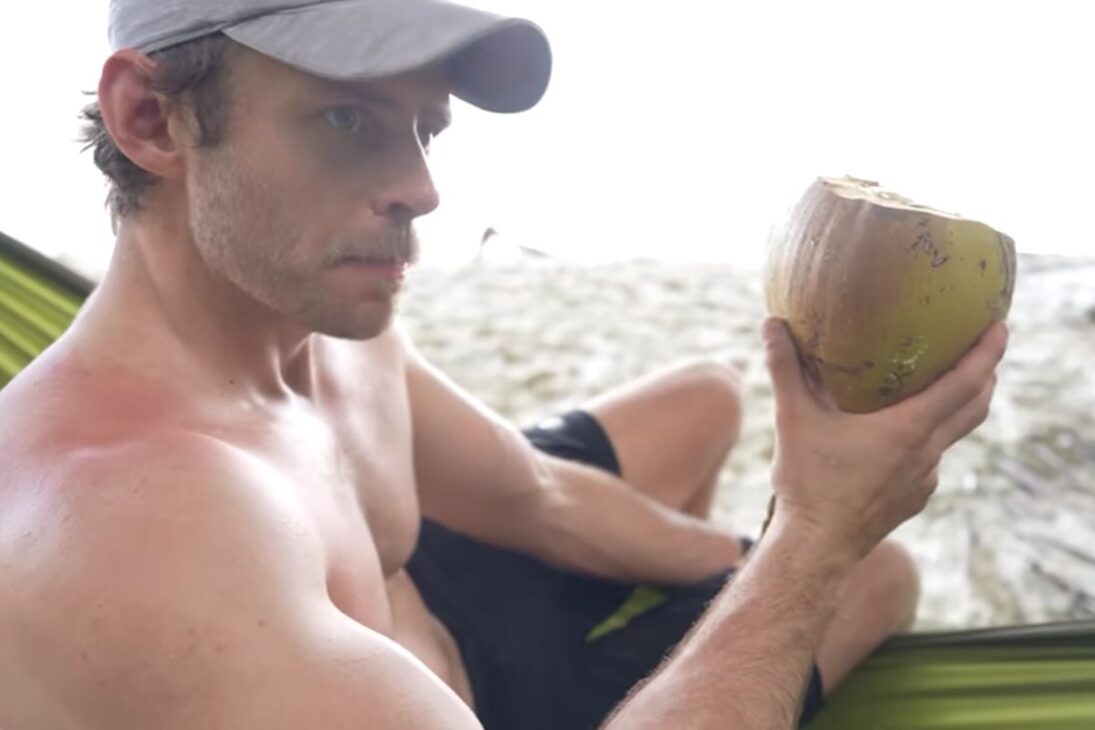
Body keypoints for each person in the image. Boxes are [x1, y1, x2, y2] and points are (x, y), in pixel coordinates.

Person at [0, 1, 1008, 728]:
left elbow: (536, 499)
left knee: (708, 401)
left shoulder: (312, 321)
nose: (423, 188)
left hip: (428, 633)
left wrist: (744, 571)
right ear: (149, 119)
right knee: (872, 574)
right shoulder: (137, 535)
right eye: (346, 118)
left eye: (426, 126)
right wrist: (814, 540)